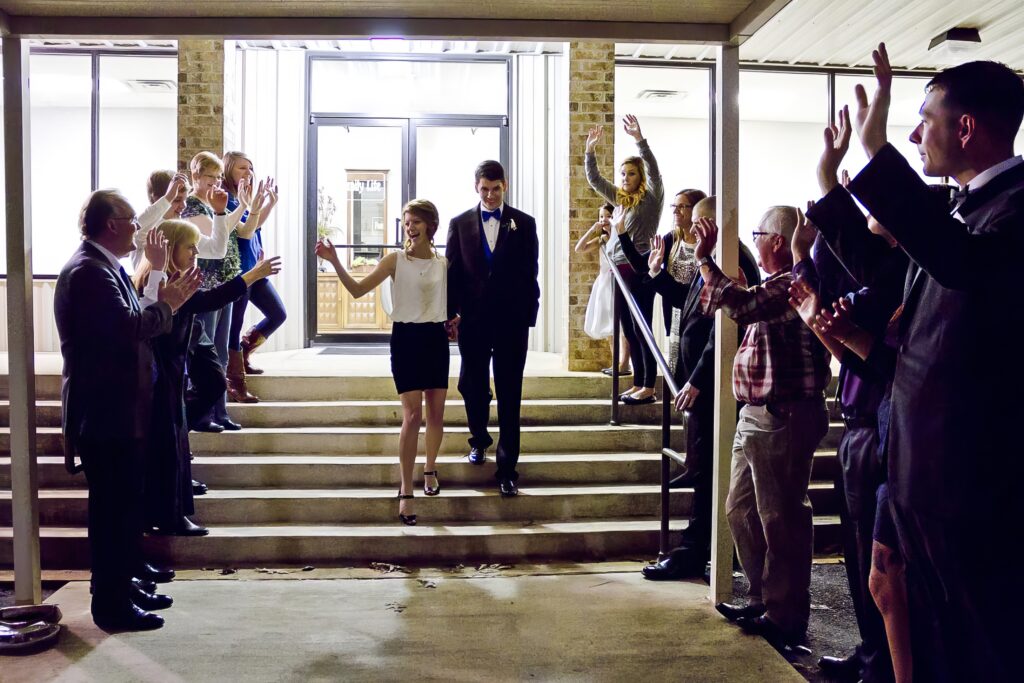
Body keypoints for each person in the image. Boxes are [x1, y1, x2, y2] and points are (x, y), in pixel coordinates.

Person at [825, 45, 1024, 680]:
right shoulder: (961, 212)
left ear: (965, 127)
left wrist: (877, 152)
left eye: (923, 119)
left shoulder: (1015, 210)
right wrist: (833, 179)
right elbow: (883, 271)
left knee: (983, 652)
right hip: (922, 483)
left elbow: (965, 265)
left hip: (973, 487)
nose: (915, 135)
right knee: (939, 652)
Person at [54, 189, 200, 631]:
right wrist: (169, 304)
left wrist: (163, 295)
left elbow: (132, 319)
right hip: (105, 414)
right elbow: (130, 327)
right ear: (111, 224)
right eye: (132, 218)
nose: (139, 226)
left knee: (123, 508)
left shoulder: (104, 266)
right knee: (112, 513)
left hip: (120, 411)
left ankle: (122, 585)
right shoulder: (88, 273)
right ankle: (112, 606)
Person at [695, 209, 831, 648]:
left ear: (777, 240)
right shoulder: (776, 284)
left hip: (783, 415)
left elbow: (742, 305)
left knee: (781, 518)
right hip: (758, 414)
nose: (753, 241)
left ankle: (785, 613)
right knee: (739, 507)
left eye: (757, 234)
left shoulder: (791, 282)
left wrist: (705, 260)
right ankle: (762, 596)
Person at [625, 195, 761, 581]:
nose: (693, 229)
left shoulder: (734, 259)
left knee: (709, 471)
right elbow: (690, 305)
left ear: (718, 224)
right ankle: (703, 546)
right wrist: (655, 275)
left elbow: (725, 328)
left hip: (714, 386)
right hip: (697, 383)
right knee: (702, 466)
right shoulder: (709, 256)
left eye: (701, 222)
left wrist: (700, 379)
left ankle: (696, 549)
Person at [133, 219, 281, 537]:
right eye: (190, 247)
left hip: (172, 377)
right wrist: (254, 273)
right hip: (160, 379)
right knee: (167, 447)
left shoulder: (176, 279)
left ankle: (172, 513)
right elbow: (208, 301)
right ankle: (170, 517)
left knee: (178, 436)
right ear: (171, 250)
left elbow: (206, 300)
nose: (196, 252)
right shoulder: (159, 283)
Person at [317, 199, 448, 524]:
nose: (410, 226)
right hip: (406, 339)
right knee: (412, 415)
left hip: (435, 339)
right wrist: (334, 260)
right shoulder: (395, 260)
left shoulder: (443, 263)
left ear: (430, 225)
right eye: (406, 221)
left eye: (416, 221)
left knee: (436, 413)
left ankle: (430, 468)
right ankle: (406, 490)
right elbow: (358, 290)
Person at [446, 160, 540, 497]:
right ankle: (479, 439)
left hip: (512, 324)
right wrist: (449, 315)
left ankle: (507, 469)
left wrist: (528, 316)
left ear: (505, 185)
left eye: (495, 189)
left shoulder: (524, 224)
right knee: (472, 387)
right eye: (484, 189)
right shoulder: (458, 224)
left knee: (510, 394)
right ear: (476, 187)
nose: (489, 195)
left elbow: (531, 273)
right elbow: (453, 275)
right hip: (472, 322)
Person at [585, 114, 665, 404]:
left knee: (642, 329)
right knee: (629, 329)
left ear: (640, 177)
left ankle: (649, 386)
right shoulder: (620, 201)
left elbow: (655, 173)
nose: (625, 178)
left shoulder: (650, 201)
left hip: (639, 267)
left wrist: (640, 141)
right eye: (622, 174)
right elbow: (594, 180)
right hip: (618, 270)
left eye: (631, 173)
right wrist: (590, 151)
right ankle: (638, 381)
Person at [181, 151, 257, 432]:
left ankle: (220, 411)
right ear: (195, 177)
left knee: (222, 352)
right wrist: (227, 211)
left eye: (216, 177)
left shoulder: (211, 203)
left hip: (223, 284)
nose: (214, 182)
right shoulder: (192, 207)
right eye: (208, 177)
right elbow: (215, 246)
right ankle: (202, 415)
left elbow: (228, 230)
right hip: (205, 287)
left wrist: (244, 206)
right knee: (206, 355)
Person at [222, 151, 285, 403]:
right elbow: (243, 230)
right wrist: (250, 205)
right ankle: (235, 383)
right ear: (228, 171)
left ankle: (245, 351)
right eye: (241, 169)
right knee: (232, 326)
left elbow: (254, 225)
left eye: (250, 168)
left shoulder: (243, 197)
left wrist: (270, 203)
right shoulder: (225, 199)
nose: (247, 173)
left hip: (255, 270)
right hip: (240, 272)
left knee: (278, 314)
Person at [575, 202, 631, 376]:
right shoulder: (602, 239)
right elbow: (579, 248)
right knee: (609, 325)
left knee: (622, 325)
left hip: (618, 281)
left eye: (607, 215)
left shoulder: (620, 237)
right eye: (601, 217)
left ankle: (625, 363)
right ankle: (615, 362)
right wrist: (593, 228)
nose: (604, 219)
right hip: (604, 282)